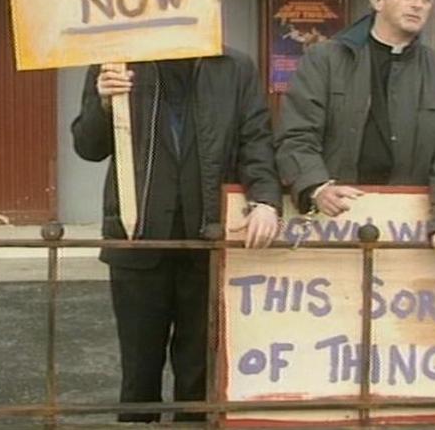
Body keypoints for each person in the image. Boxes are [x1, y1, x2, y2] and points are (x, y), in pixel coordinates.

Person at [71, 49, 281, 422]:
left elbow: (256, 139)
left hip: (208, 237)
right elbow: (88, 148)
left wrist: (265, 199)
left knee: (199, 369)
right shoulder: (118, 61)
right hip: (137, 238)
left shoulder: (235, 67)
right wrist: (102, 103)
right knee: (139, 368)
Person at [275, 0, 435, 255]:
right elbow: (296, 133)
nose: (418, 5)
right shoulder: (324, 61)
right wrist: (316, 186)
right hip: (335, 220)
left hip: (410, 223)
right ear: (378, 0)